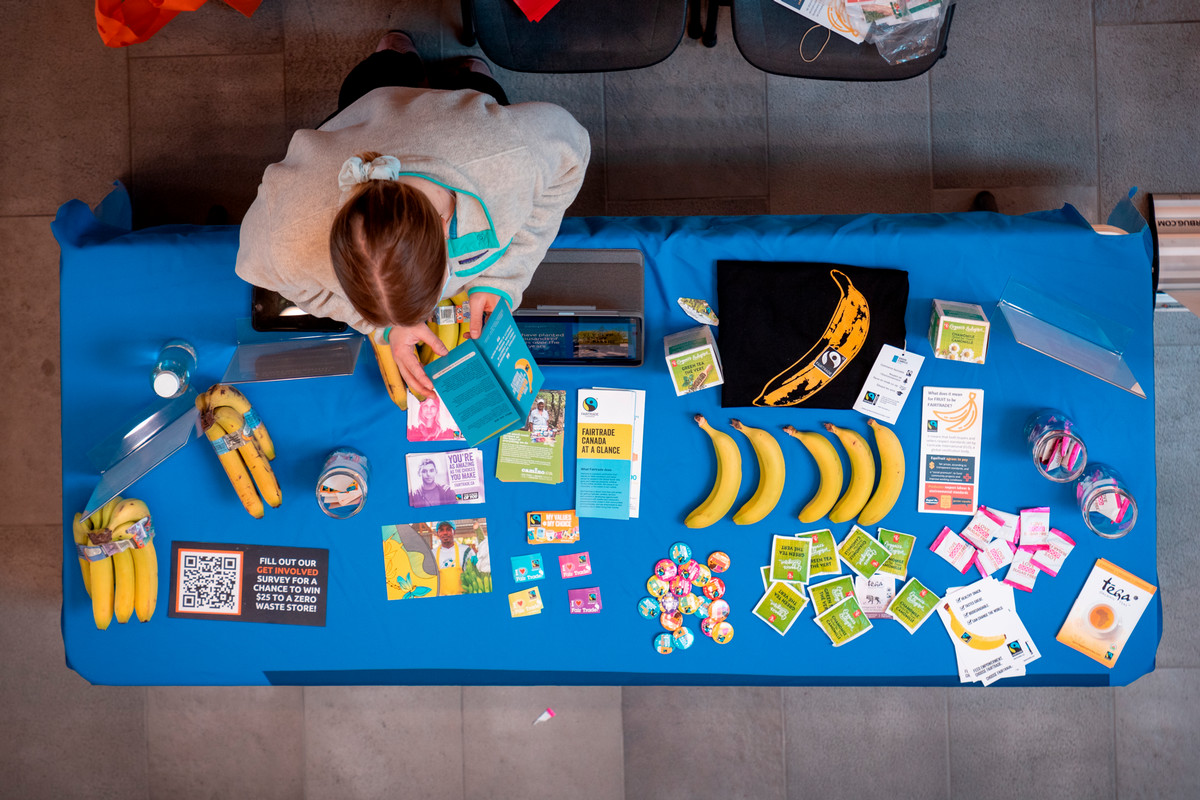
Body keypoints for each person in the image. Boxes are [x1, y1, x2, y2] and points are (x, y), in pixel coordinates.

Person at [235, 31, 591, 398]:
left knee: (438, 79)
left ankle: (440, 64)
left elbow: (573, 150)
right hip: (375, 122)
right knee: (397, 77)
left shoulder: (506, 155)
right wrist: (382, 328)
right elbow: (279, 276)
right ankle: (440, 64)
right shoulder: (284, 239)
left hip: (459, 124)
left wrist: (505, 278)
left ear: (443, 227)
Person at [431, 521, 473, 596]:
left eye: (448, 529)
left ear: (454, 532)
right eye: (441, 530)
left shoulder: (466, 551)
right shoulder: (432, 554)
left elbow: (475, 572)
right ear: (437, 533)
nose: (445, 533)